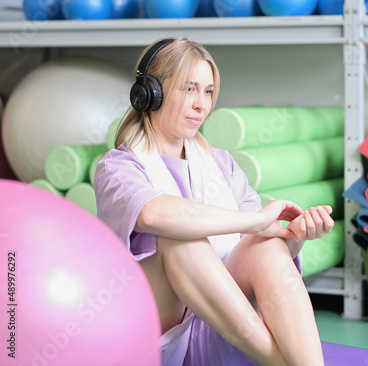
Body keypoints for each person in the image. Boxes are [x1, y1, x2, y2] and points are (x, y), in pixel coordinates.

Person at [94, 37, 334, 366]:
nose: (201, 105)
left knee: (264, 245)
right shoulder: (117, 168)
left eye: (208, 92)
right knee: (179, 238)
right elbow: (153, 213)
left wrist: (293, 239)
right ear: (151, 92)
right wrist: (254, 222)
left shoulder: (221, 163)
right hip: (155, 344)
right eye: (189, 89)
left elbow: (261, 256)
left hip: (220, 329)